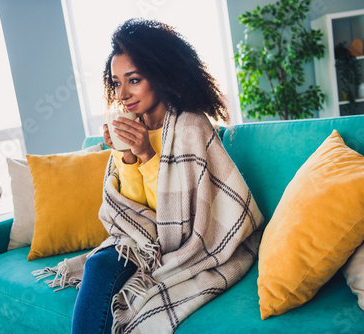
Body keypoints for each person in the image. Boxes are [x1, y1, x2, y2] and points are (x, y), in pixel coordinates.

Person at [66, 18, 263, 334]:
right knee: (99, 263)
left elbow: (178, 219)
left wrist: (146, 154)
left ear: (160, 74)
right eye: (116, 83)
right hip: (142, 241)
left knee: (111, 275)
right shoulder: (133, 125)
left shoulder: (190, 127)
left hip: (184, 244)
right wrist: (127, 156)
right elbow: (134, 211)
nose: (124, 94)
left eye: (134, 80)